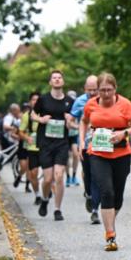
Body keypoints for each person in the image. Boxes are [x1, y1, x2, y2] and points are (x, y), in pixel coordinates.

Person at [80, 73, 131, 250]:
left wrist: (124, 133)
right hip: (98, 153)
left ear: (115, 89)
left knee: (118, 197)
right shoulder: (91, 104)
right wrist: (81, 141)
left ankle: (110, 223)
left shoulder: (125, 104)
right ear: (98, 90)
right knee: (106, 191)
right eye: (102, 90)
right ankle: (110, 235)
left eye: (109, 90)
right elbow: (84, 122)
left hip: (121, 153)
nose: (106, 94)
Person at [32, 70, 73, 221]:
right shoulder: (43, 99)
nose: (57, 80)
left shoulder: (69, 101)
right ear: (50, 82)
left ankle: (57, 209)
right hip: (45, 142)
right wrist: (41, 120)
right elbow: (33, 115)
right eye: (54, 78)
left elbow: (74, 123)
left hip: (62, 143)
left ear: (63, 81)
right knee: (48, 179)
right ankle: (44, 199)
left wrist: (70, 122)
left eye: (59, 77)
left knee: (59, 176)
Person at [71, 75, 101, 223]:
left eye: (95, 90)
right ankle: (89, 194)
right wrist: (80, 127)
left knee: (98, 175)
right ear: (85, 89)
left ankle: (95, 210)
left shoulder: (105, 100)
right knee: (88, 174)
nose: (92, 93)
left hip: (101, 144)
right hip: (84, 143)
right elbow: (70, 121)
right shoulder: (80, 102)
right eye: (89, 90)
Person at [18, 93, 42, 202]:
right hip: (32, 148)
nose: (35, 101)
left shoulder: (46, 114)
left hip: (45, 148)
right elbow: (20, 132)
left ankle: (47, 188)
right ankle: (37, 194)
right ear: (30, 102)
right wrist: (27, 138)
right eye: (33, 99)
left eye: (38, 99)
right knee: (33, 173)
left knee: (49, 174)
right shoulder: (26, 116)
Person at [67, 89, 81, 188]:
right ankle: (68, 177)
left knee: (76, 155)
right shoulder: (64, 108)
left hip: (75, 135)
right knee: (67, 157)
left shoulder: (78, 108)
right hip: (65, 135)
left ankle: (74, 175)